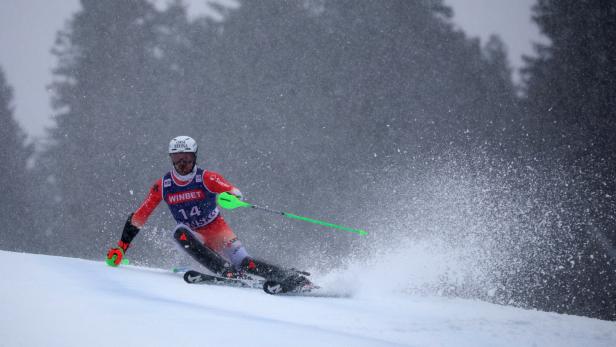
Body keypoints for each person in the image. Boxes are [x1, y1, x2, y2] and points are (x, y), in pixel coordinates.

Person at [106, 136, 310, 292]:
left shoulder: (206, 178)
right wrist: (121, 249)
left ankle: (291, 278)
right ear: (171, 160)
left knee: (245, 263)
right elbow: (140, 216)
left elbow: (234, 191)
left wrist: (230, 198)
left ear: (194, 158)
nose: (182, 165)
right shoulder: (164, 185)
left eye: (186, 159)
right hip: (194, 236)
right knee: (179, 231)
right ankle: (227, 272)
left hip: (217, 230)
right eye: (177, 160)